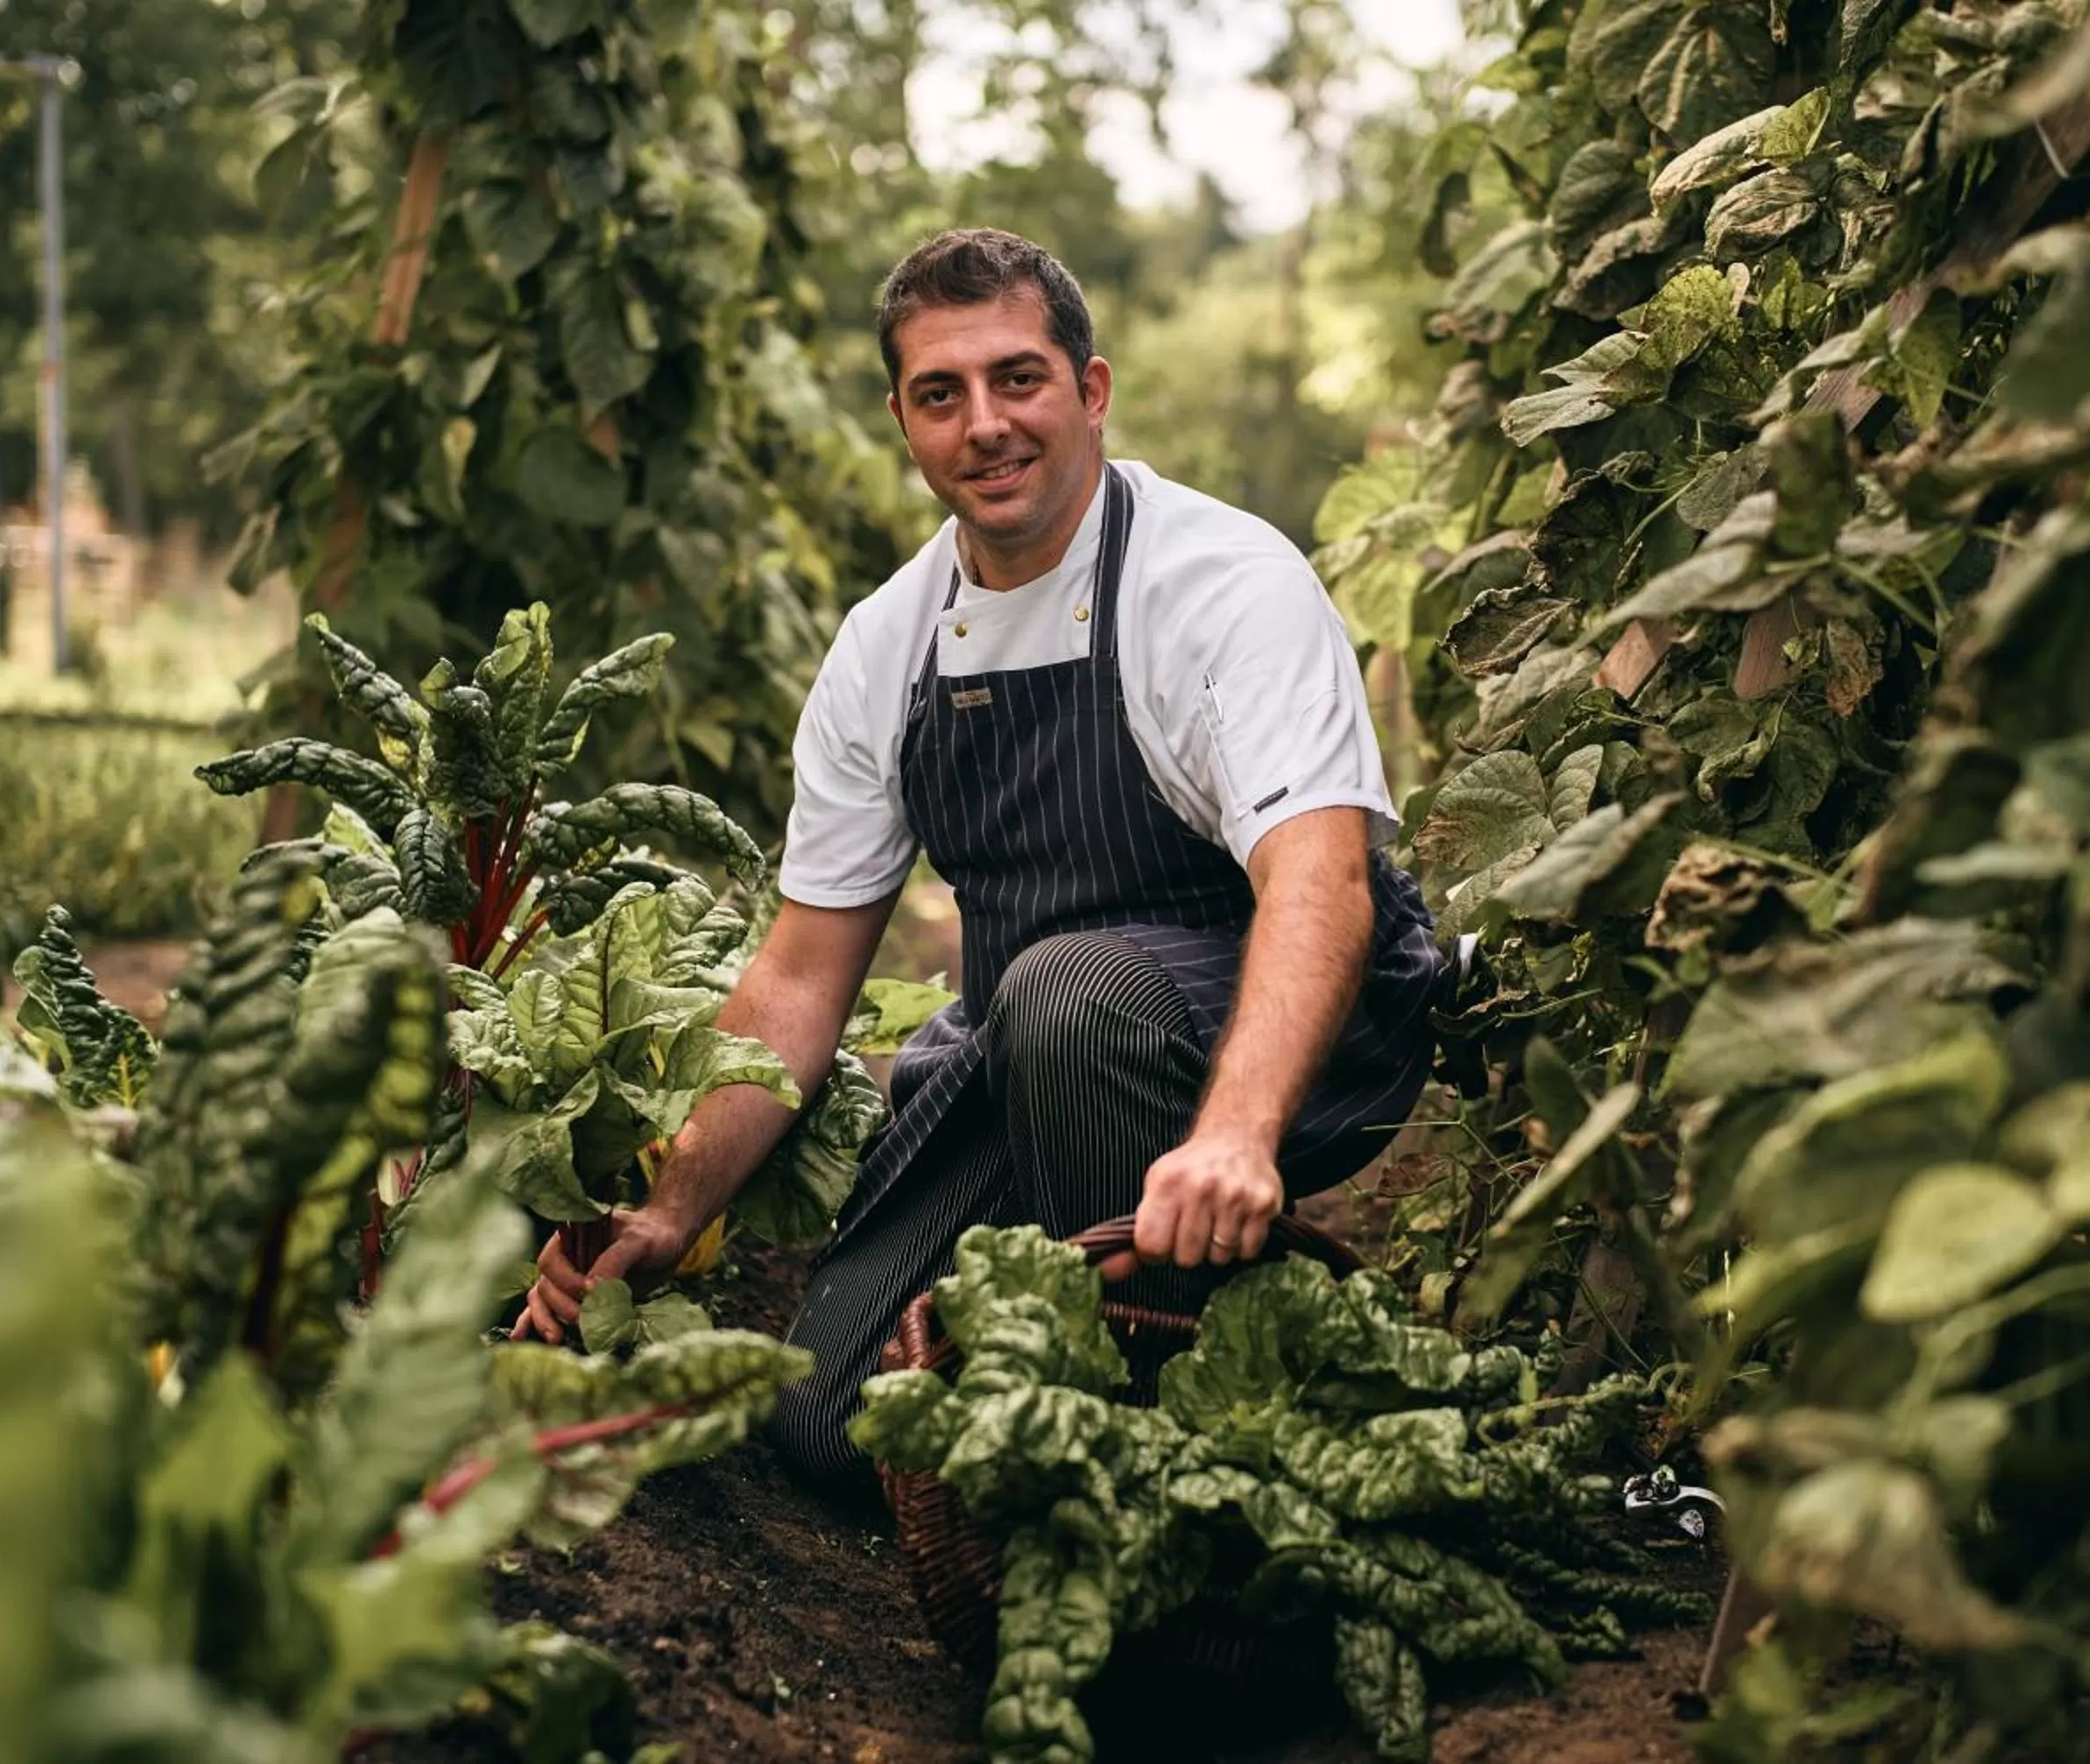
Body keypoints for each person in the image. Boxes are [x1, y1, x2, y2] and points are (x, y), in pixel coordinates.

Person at [516, 228, 1445, 1481]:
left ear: (1091, 390)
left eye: (1019, 379)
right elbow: (797, 980)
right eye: (940, 395)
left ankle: (1172, 1434)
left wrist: (1233, 1132)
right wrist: (673, 1204)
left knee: (1069, 994)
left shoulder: (1219, 583)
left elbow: (1320, 878)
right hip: (1039, 1052)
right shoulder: (889, 648)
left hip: (1285, 1031)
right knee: (841, 1426)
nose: (986, 426)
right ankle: (1066, 1398)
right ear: (902, 420)